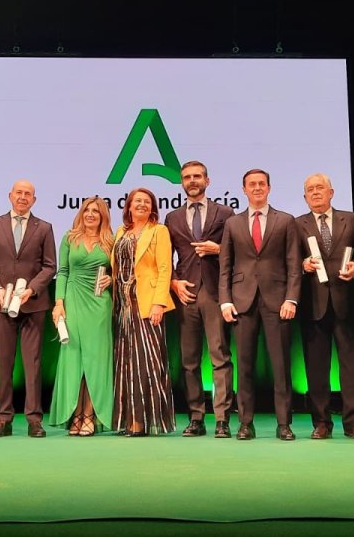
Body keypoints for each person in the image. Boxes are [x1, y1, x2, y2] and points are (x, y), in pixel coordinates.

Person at [219, 169, 301, 441]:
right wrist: (225, 300)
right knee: (244, 366)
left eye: (261, 184)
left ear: (269, 188)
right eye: (251, 184)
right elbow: (225, 266)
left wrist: (291, 297)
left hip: (278, 301)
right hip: (242, 301)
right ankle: (245, 423)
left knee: (281, 366)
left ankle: (284, 424)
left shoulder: (286, 221)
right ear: (244, 190)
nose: (257, 188)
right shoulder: (233, 223)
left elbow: (293, 264)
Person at [0, 179, 57, 438]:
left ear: (34, 199)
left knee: (32, 363)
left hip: (33, 304)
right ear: (10, 196)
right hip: (0, 304)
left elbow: (49, 266)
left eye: (28, 194)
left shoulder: (44, 227)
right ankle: (4, 419)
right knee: (3, 362)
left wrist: (32, 289)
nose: (23, 197)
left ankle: (34, 419)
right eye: (19, 193)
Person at [296, 173, 354, 441]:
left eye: (320, 188)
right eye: (310, 190)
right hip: (312, 304)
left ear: (331, 192)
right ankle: (321, 423)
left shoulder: (353, 220)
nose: (315, 193)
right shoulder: (297, 224)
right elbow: (289, 262)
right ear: (304, 197)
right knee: (316, 368)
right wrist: (302, 266)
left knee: (351, 365)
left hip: (346, 302)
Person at [164, 161, 235, 438]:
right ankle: (196, 417)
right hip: (186, 292)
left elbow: (237, 248)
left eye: (197, 176)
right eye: (187, 177)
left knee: (220, 357)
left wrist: (219, 248)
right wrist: (173, 282)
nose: (192, 181)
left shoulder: (226, 212)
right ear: (182, 183)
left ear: (207, 180)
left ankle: (222, 418)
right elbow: (164, 256)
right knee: (189, 360)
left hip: (216, 290)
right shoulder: (172, 217)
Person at [48, 196, 115, 436]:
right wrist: (59, 304)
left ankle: (89, 415)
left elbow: (123, 271)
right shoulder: (69, 237)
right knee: (74, 359)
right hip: (73, 300)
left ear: (103, 215)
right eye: (87, 210)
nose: (90, 215)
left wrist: (113, 279)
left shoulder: (111, 240)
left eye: (95, 211)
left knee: (95, 362)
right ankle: (74, 414)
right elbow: (63, 271)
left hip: (99, 305)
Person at [112, 188, 176, 435]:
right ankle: (127, 420)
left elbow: (164, 268)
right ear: (128, 206)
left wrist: (159, 302)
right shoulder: (121, 232)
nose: (141, 204)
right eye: (137, 201)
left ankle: (143, 422)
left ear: (152, 208)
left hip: (147, 304)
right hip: (123, 305)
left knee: (145, 362)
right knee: (125, 363)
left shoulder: (159, 231)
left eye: (146, 201)